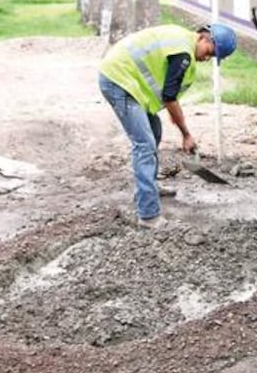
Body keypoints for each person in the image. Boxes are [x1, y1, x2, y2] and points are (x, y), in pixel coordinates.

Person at [98, 23, 238, 228]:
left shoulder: (182, 40)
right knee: (144, 145)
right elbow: (170, 98)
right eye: (210, 52)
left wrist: (180, 125)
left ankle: (149, 188)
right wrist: (186, 134)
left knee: (154, 131)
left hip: (129, 80)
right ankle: (148, 215)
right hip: (119, 80)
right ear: (204, 38)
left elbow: (167, 96)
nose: (207, 58)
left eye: (213, 57)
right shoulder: (182, 53)